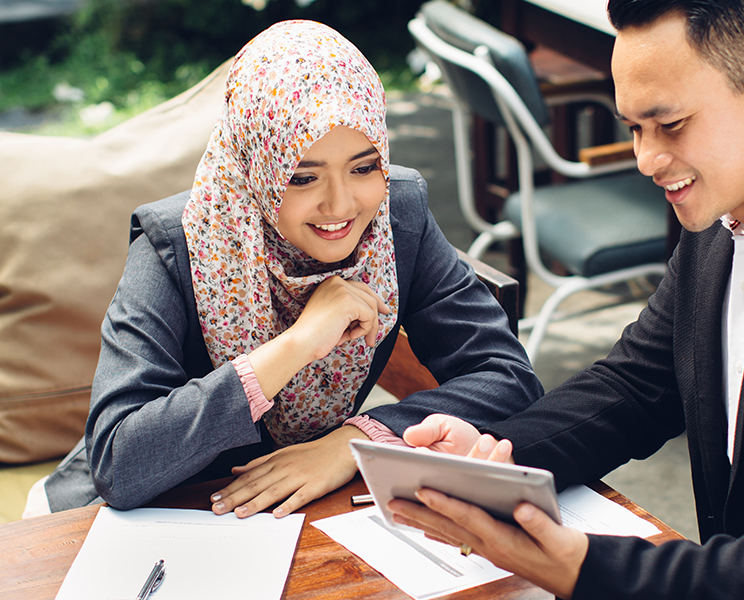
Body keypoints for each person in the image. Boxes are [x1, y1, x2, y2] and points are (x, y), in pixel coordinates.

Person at [36, 20, 541, 518]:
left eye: (364, 167)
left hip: (290, 519)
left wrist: (354, 441)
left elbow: (509, 378)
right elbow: (120, 462)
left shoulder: (396, 219)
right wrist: (295, 346)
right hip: (122, 524)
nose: (341, 205)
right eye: (302, 177)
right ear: (257, 166)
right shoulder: (175, 246)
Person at [388, 1, 744, 598]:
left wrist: (585, 570)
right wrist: (497, 459)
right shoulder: (719, 220)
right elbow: (636, 386)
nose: (646, 160)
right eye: (633, 128)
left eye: (672, 125)